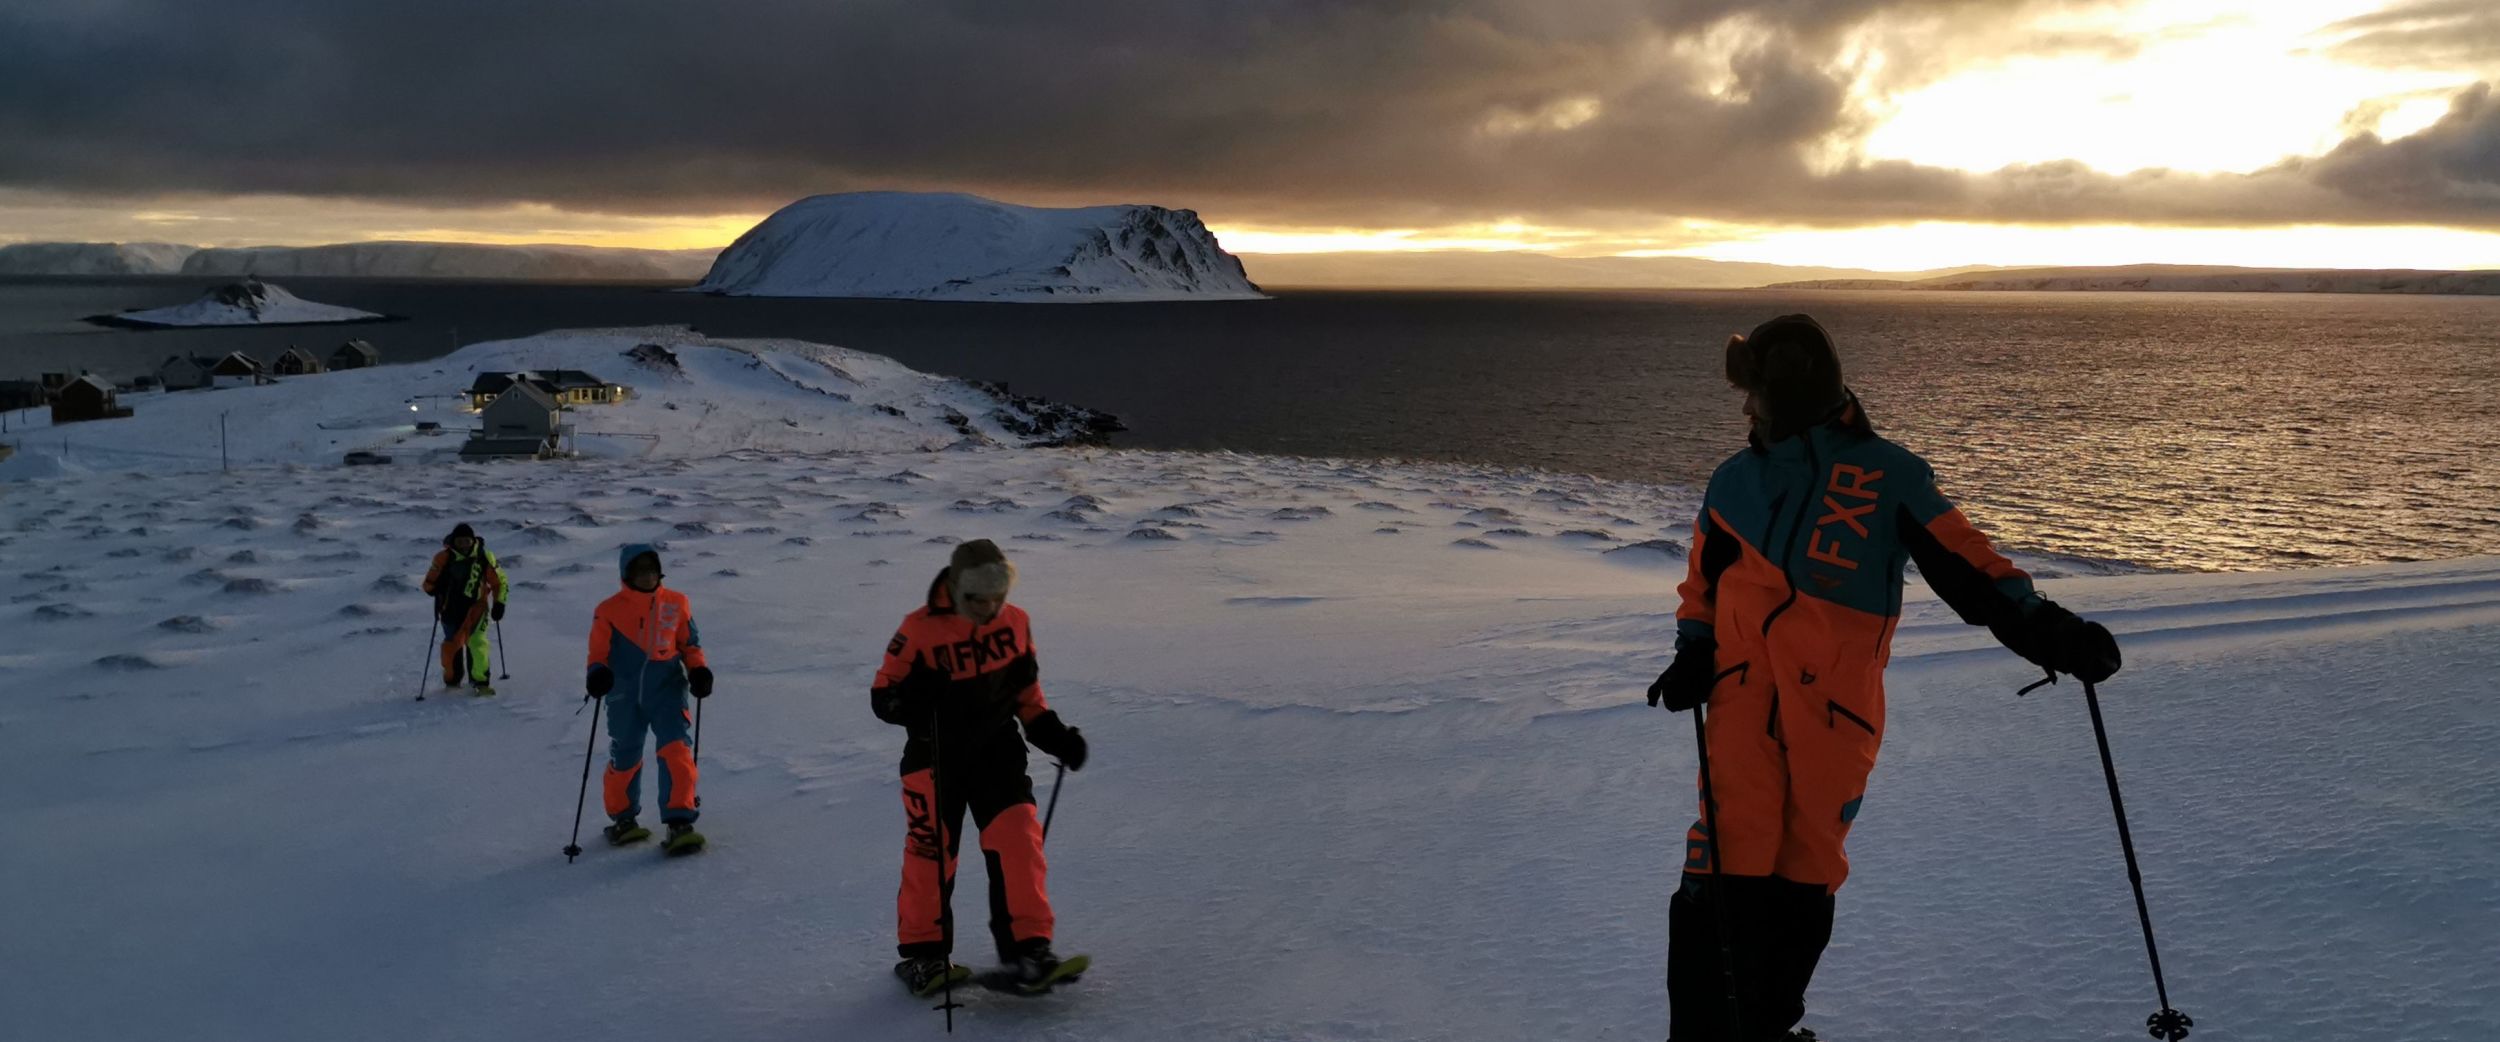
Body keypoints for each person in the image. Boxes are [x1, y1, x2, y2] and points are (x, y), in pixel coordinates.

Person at [1648, 314, 2122, 1041]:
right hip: (1740, 704)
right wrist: (1692, 653)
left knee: (1806, 871)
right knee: (1721, 863)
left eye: (1755, 393)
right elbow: (1702, 588)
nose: (1745, 409)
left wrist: (2050, 632)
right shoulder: (1732, 481)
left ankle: (1769, 1026)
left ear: (1791, 388)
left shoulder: (1887, 476)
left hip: (1834, 717)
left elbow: (1972, 568)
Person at [873, 539, 1091, 997]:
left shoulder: (1017, 623)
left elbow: (1027, 698)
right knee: (932, 854)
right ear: (955, 589)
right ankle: (924, 958)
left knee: (1019, 841)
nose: (989, 609)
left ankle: (1027, 952)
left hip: (998, 752)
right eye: (977, 599)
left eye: (998, 598)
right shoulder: (918, 630)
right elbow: (883, 699)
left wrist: (1055, 735)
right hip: (934, 759)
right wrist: (917, 697)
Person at [585, 543, 714, 856]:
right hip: (623, 695)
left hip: (667, 688)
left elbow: (690, 644)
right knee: (626, 754)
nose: (647, 577)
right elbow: (598, 651)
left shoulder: (676, 603)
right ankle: (623, 819)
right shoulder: (609, 609)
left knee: (677, 749)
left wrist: (698, 670)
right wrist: (597, 672)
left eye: (652, 570)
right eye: (640, 571)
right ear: (627, 574)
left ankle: (679, 821)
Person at [421, 522, 508, 696]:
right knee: (452, 646)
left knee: (478, 644)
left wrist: (499, 603)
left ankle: (481, 682)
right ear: (453, 542)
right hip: (450, 609)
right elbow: (428, 584)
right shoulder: (442, 558)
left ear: (473, 541)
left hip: (478, 608)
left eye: (467, 541)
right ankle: (453, 681)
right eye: (460, 542)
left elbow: (500, 582)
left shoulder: (485, 557)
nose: (464, 546)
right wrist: (435, 589)